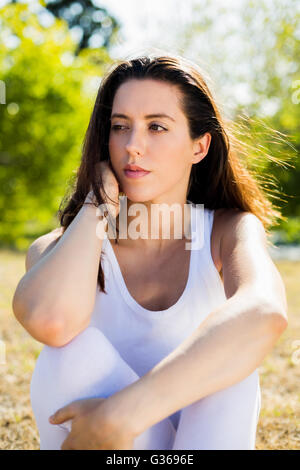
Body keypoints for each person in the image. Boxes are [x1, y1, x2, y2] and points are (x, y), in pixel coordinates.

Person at [12, 52, 288, 450]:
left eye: (156, 127)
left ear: (199, 146)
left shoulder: (228, 230)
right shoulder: (58, 248)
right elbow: (49, 320)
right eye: (120, 127)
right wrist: (96, 206)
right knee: (67, 354)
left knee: (231, 363)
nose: (132, 146)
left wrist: (120, 416)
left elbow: (264, 312)